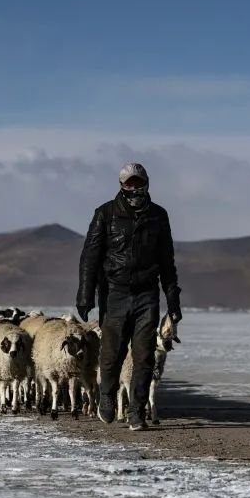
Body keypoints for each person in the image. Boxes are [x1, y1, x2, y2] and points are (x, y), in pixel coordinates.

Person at [76, 163, 182, 431]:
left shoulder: (159, 216)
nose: (134, 187)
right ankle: (107, 397)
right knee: (112, 354)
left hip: (146, 294)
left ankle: (137, 411)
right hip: (114, 293)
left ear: (146, 183)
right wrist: (85, 294)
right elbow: (90, 256)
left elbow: (167, 261)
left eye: (138, 182)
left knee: (144, 355)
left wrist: (173, 302)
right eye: (128, 183)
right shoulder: (106, 213)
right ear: (122, 185)